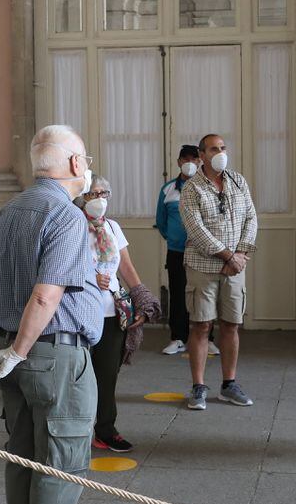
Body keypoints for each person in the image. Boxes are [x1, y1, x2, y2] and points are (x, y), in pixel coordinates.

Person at [0, 124, 104, 504]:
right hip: (53, 355)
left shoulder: (8, 211)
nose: (87, 168)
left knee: (24, 458)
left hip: (15, 352)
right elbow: (47, 295)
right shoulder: (65, 216)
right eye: (85, 159)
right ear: (73, 164)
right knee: (61, 461)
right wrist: (18, 349)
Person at [180, 133, 257, 411]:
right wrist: (227, 255)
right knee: (201, 325)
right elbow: (196, 229)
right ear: (202, 155)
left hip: (235, 267)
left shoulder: (238, 181)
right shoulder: (192, 188)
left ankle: (229, 384)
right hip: (203, 266)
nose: (221, 152)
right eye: (214, 149)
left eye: (223, 147)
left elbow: (251, 217)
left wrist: (241, 254)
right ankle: (199, 387)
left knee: (231, 324)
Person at [80, 174, 154, 453]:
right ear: (81, 197)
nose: (98, 199)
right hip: (81, 311)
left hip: (111, 311)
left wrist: (142, 298)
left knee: (108, 372)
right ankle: (76, 427)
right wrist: (89, 275)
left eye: (103, 193)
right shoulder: (73, 227)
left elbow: (126, 268)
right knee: (78, 373)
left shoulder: (112, 227)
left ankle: (106, 428)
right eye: (91, 193)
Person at [154, 144, 215, 357]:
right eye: (185, 159)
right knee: (177, 293)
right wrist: (174, 238)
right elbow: (161, 222)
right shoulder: (168, 189)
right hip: (176, 251)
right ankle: (178, 338)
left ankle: (209, 339)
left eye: (194, 159)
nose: (190, 163)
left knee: (205, 294)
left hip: (203, 252)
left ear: (200, 161)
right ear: (179, 162)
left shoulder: (209, 187)